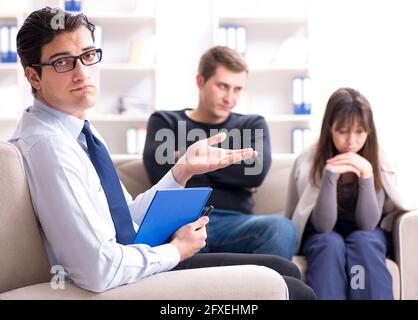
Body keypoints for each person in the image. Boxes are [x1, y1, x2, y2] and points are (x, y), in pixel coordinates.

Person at [9, 7, 316, 299]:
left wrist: (182, 169)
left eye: (88, 56)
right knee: (294, 289)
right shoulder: (50, 147)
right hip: (117, 279)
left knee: (285, 269)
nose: (82, 72)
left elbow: (124, 219)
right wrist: (175, 251)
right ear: (34, 76)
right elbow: (99, 269)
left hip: (133, 258)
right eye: (63, 62)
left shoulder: (79, 132)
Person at [143, 46, 297, 261]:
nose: (230, 98)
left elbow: (255, 173)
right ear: (200, 81)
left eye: (237, 89)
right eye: (222, 86)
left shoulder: (251, 124)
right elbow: (159, 172)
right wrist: (234, 165)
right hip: (181, 223)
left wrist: (188, 160)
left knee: (281, 228)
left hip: (235, 224)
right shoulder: (165, 121)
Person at [285, 87, 412, 299]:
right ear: (329, 130)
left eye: (359, 132)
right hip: (321, 231)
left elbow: (367, 224)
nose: (351, 141)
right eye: (342, 131)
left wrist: (367, 176)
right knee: (328, 243)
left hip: (367, 230)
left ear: (369, 131)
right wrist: (329, 176)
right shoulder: (309, 160)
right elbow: (323, 226)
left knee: (365, 241)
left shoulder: (380, 158)